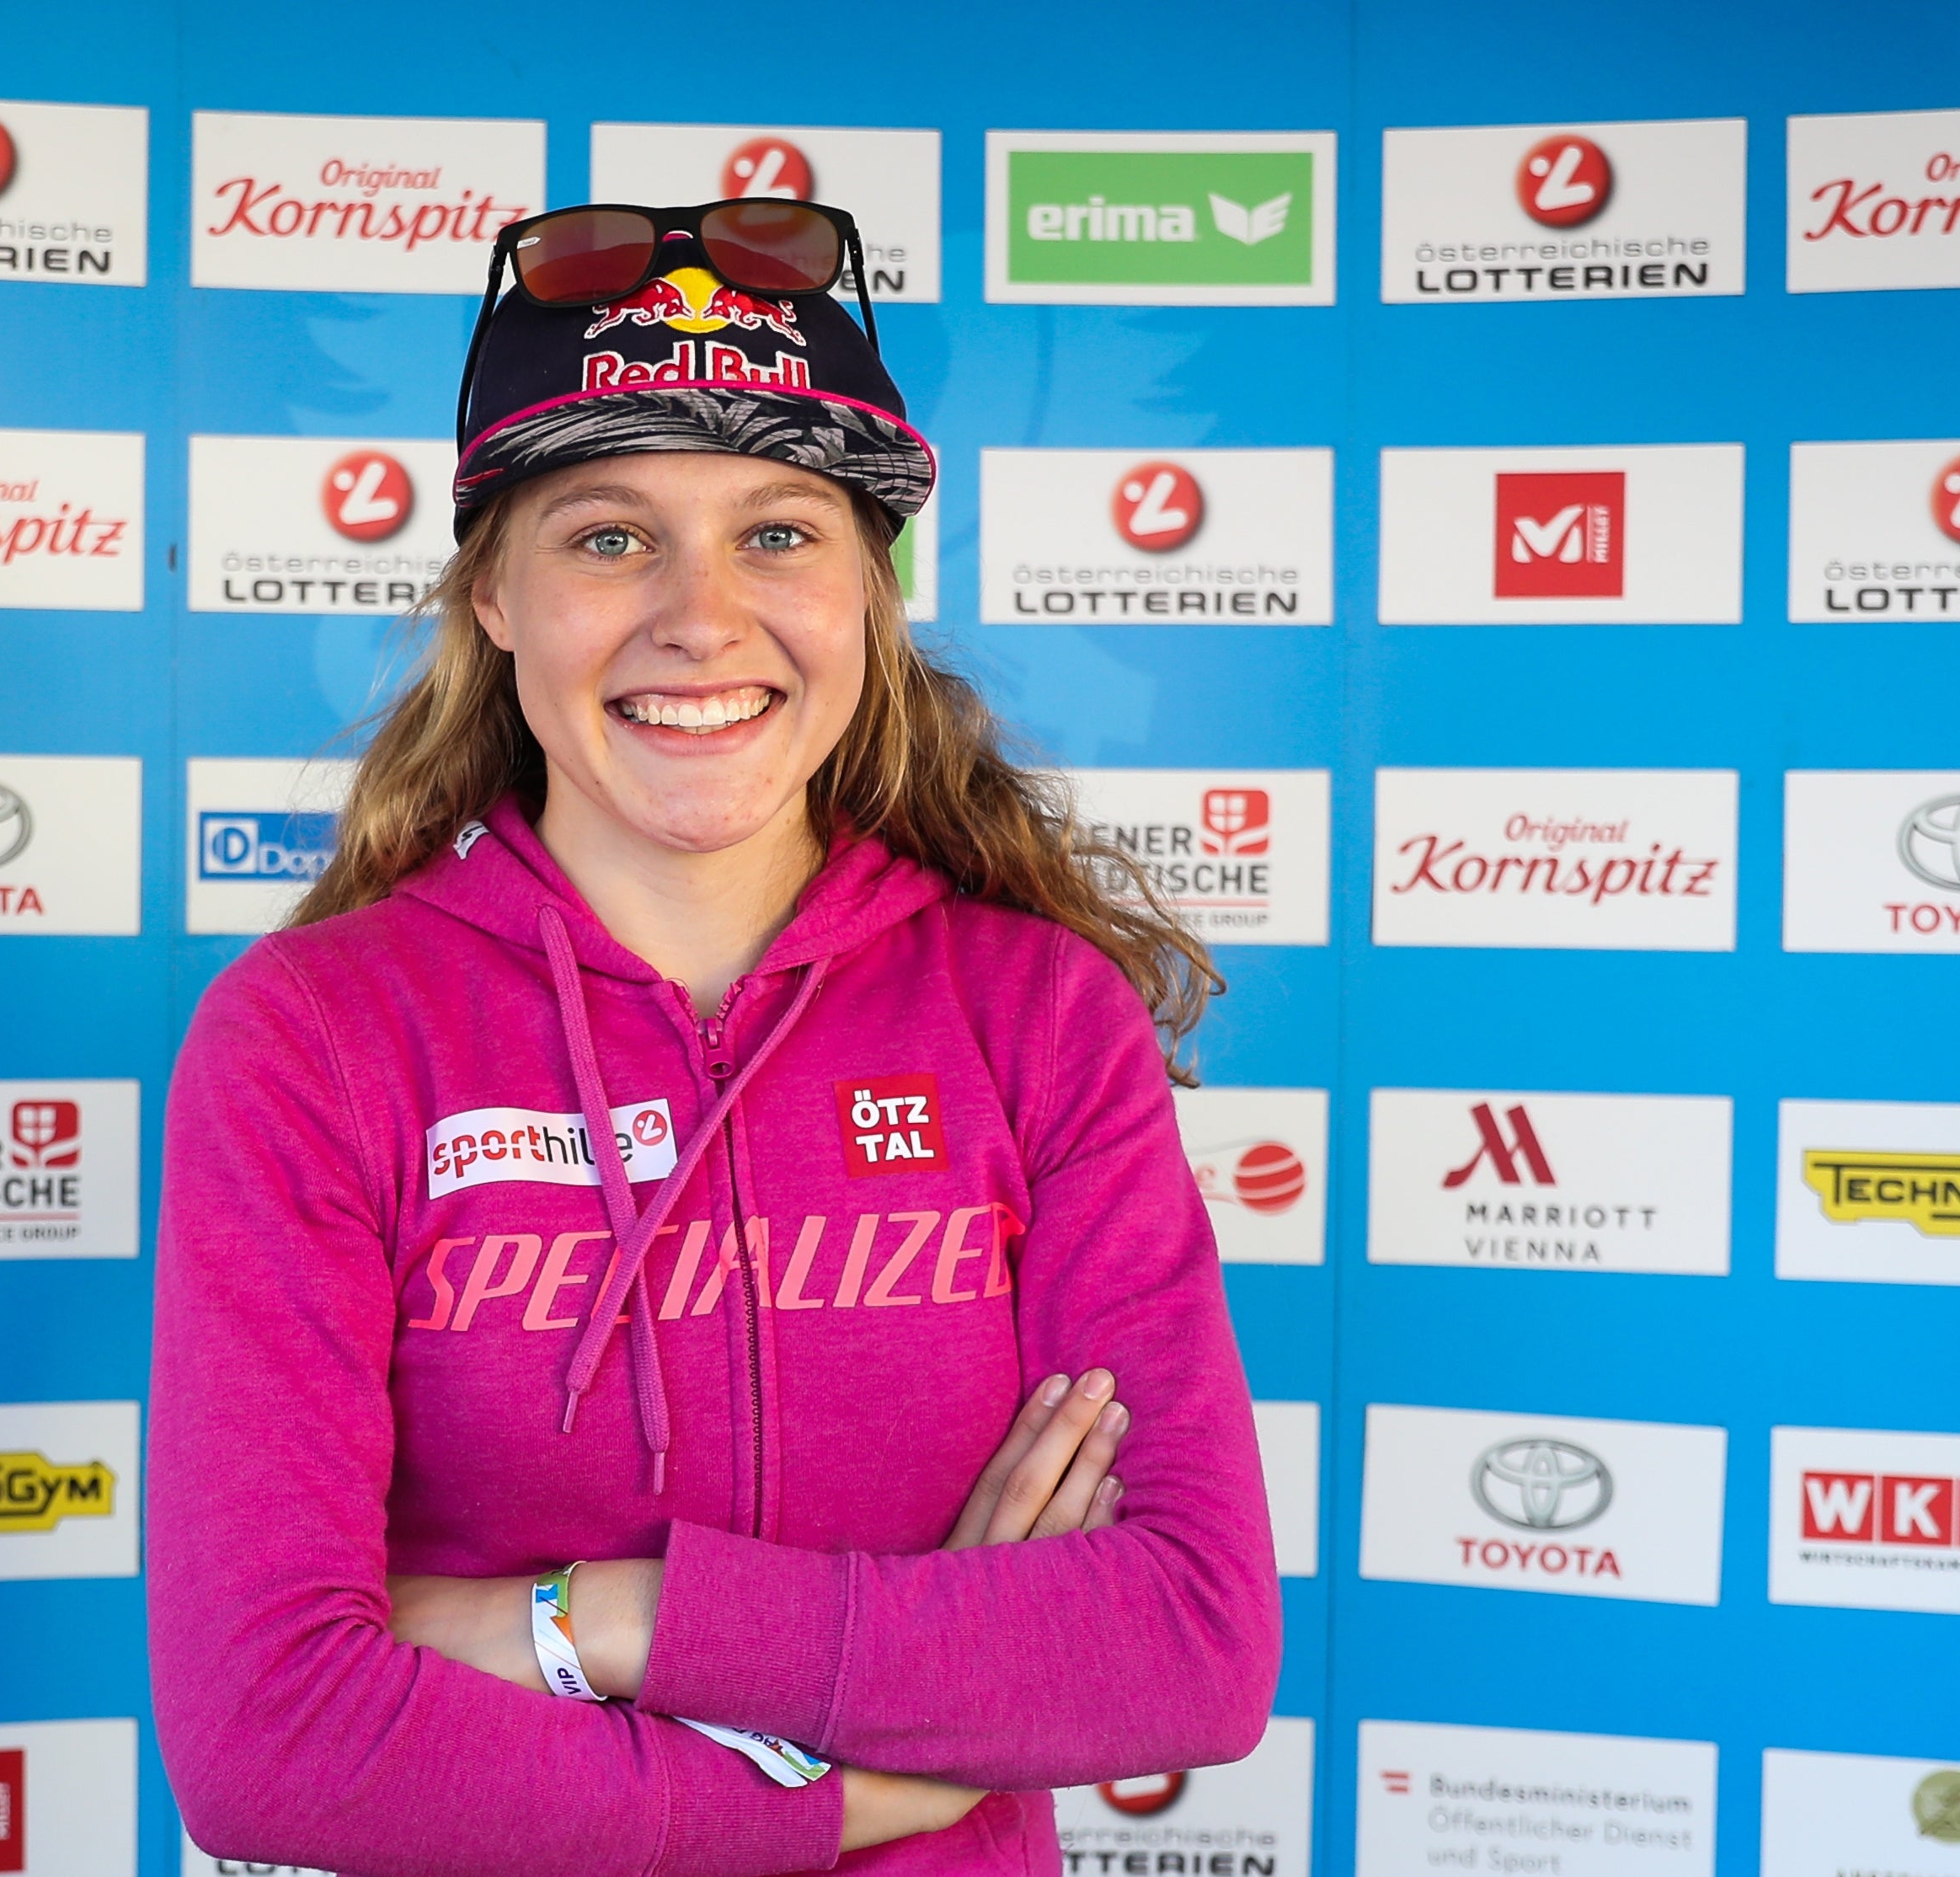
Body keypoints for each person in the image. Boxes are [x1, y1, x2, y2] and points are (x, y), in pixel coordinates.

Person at [149, 198, 1279, 1875]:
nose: (700, 615)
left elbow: (1186, 1644)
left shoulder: (1035, 1016)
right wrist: (875, 1767)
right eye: (609, 536)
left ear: (869, 594)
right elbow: (272, 1743)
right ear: (492, 597)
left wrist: (591, 1619)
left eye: (777, 533)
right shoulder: (313, 1038)